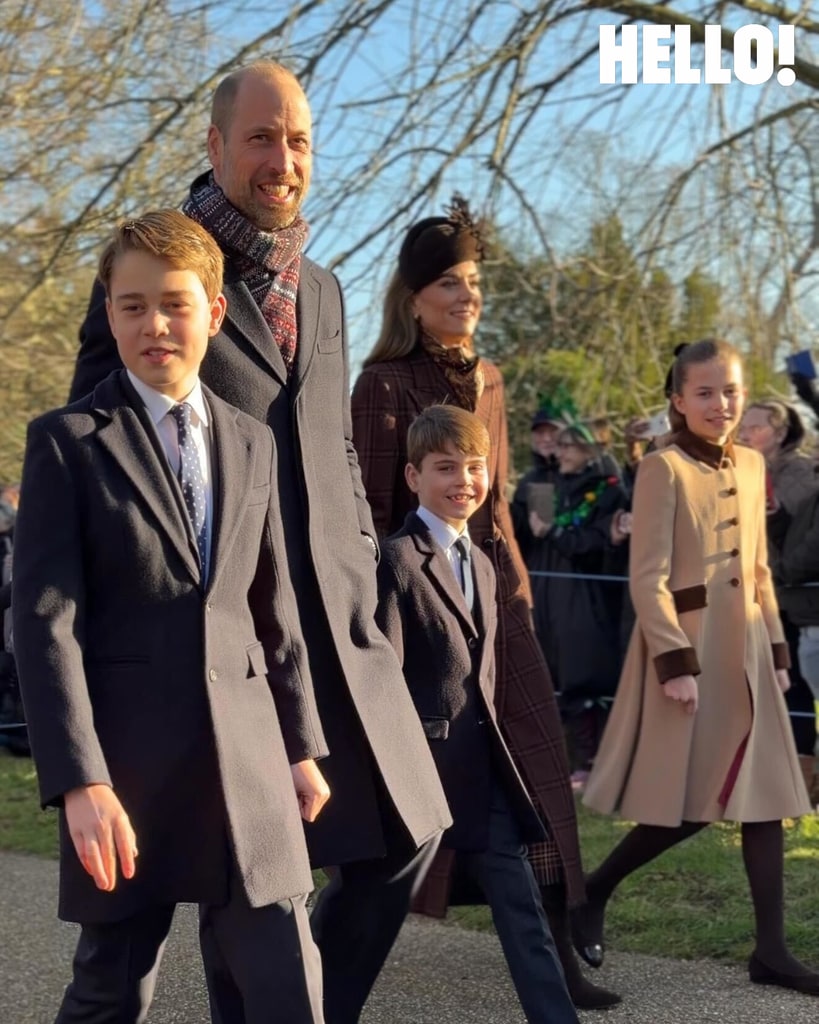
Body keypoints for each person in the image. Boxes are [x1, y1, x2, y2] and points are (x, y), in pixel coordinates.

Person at [68, 62, 451, 1024]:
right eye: (260, 138)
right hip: (208, 630)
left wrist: (371, 579)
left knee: (409, 829)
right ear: (215, 146)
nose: (282, 160)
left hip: (337, 625)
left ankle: (301, 1001)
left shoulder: (319, 289)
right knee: (148, 919)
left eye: (299, 142)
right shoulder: (156, 278)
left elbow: (330, 451)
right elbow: (98, 441)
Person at [13, 210, 331, 1023]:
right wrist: (80, 779)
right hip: (129, 773)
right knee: (111, 990)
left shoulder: (251, 440)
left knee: (286, 988)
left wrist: (299, 745)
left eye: (175, 303)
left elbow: (272, 606)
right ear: (110, 312)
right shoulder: (67, 443)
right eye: (131, 305)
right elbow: (47, 624)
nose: (154, 324)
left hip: (249, 761)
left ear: (214, 314)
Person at [351, 199, 620, 1010]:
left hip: (499, 603)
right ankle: (322, 973)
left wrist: (518, 595)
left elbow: (494, 498)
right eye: (446, 283)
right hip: (418, 609)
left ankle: (558, 972)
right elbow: (368, 507)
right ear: (412, 297)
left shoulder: (491, 377)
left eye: (472, 281)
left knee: (536, 791)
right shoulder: (381, 382)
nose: (465, 296)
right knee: (402, 836)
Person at [575, 338, 819, 996]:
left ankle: (771, 950)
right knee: (689, 807)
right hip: (689, 656)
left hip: (746, 655)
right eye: (704, 392)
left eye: (731, 391)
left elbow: (758, 568)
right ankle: (589, 894)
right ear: (677, 401)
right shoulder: (662, 468)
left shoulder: (748, 462)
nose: (720, 404)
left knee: (764, 801)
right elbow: (646, 577)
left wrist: (773, 653)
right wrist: (673, 661)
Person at [375, 404, 580, 1024]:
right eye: (445, 468)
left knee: (523, 911)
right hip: (416, 774)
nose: (463, 480)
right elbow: (381, 676)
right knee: (367, 911)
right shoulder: (395, 560)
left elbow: (485, 676)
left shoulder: (486, 564)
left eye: (474, 466)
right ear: (413, 477)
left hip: (483, 775)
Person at [526, 423, 629, 790]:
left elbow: (596, 541)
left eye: (570, 447)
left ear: (588, 451)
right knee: (552, 676)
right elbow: (532, 531)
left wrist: (554, 534)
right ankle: (567, 761)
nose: (561, 452)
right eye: (560, 447)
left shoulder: (607, 489)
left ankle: (594, 762)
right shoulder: (544, 484)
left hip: (586, 593)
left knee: (584, 675)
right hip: (546, 588)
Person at [738, 399, 818, 760]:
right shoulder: (744, 468)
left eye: (755, 427)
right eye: (742, 428)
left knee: (796, 688)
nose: (744, 434)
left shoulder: (799, 471)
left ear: (781, 432)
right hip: (758, 592)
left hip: (791, 596)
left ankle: (800, 768)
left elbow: (805, 538)